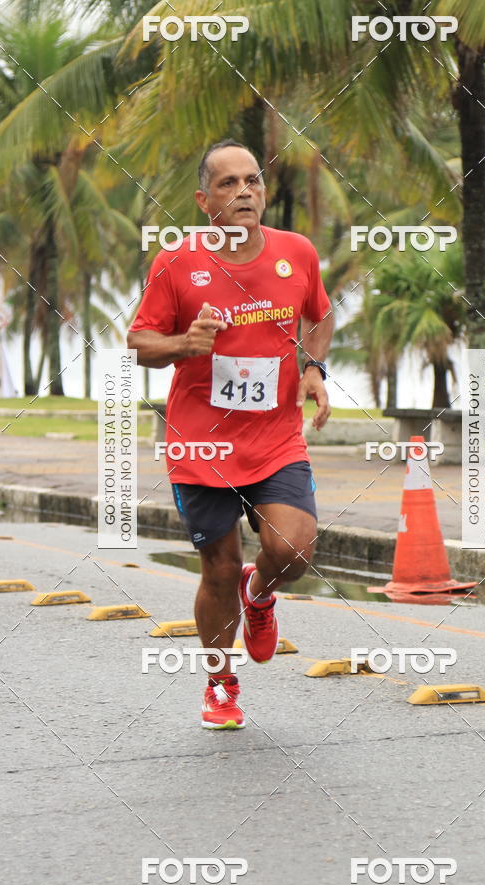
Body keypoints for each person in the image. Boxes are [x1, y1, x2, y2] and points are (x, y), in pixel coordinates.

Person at [127, 140, 333, 729]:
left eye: (253, 181)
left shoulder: (297, 252)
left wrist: (313, 369)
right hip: (201, 444)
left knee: (292, 548)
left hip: (273, 438)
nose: (245, 191)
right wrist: (183, 345)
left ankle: (261, 592)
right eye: (229, 184)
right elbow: (139, 342)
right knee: (216, 568)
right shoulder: (176, 261)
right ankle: (220, 682)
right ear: (203, 199)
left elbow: (318, 315)